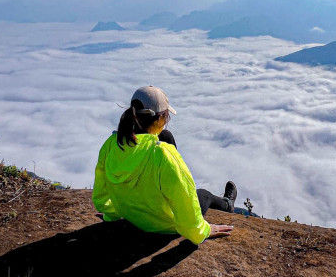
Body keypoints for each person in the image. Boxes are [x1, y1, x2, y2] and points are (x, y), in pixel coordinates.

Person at [92, 85, 236, 245]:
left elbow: (101, 193)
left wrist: (111, 215)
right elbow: (186, 205)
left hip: (132, 216)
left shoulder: (111, 144)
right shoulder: (161, 154)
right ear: (160, 118)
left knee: (166, 136)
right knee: (203, 194)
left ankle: (170, 179)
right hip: (165, 225)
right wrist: (203, 231)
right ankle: (228, 204)